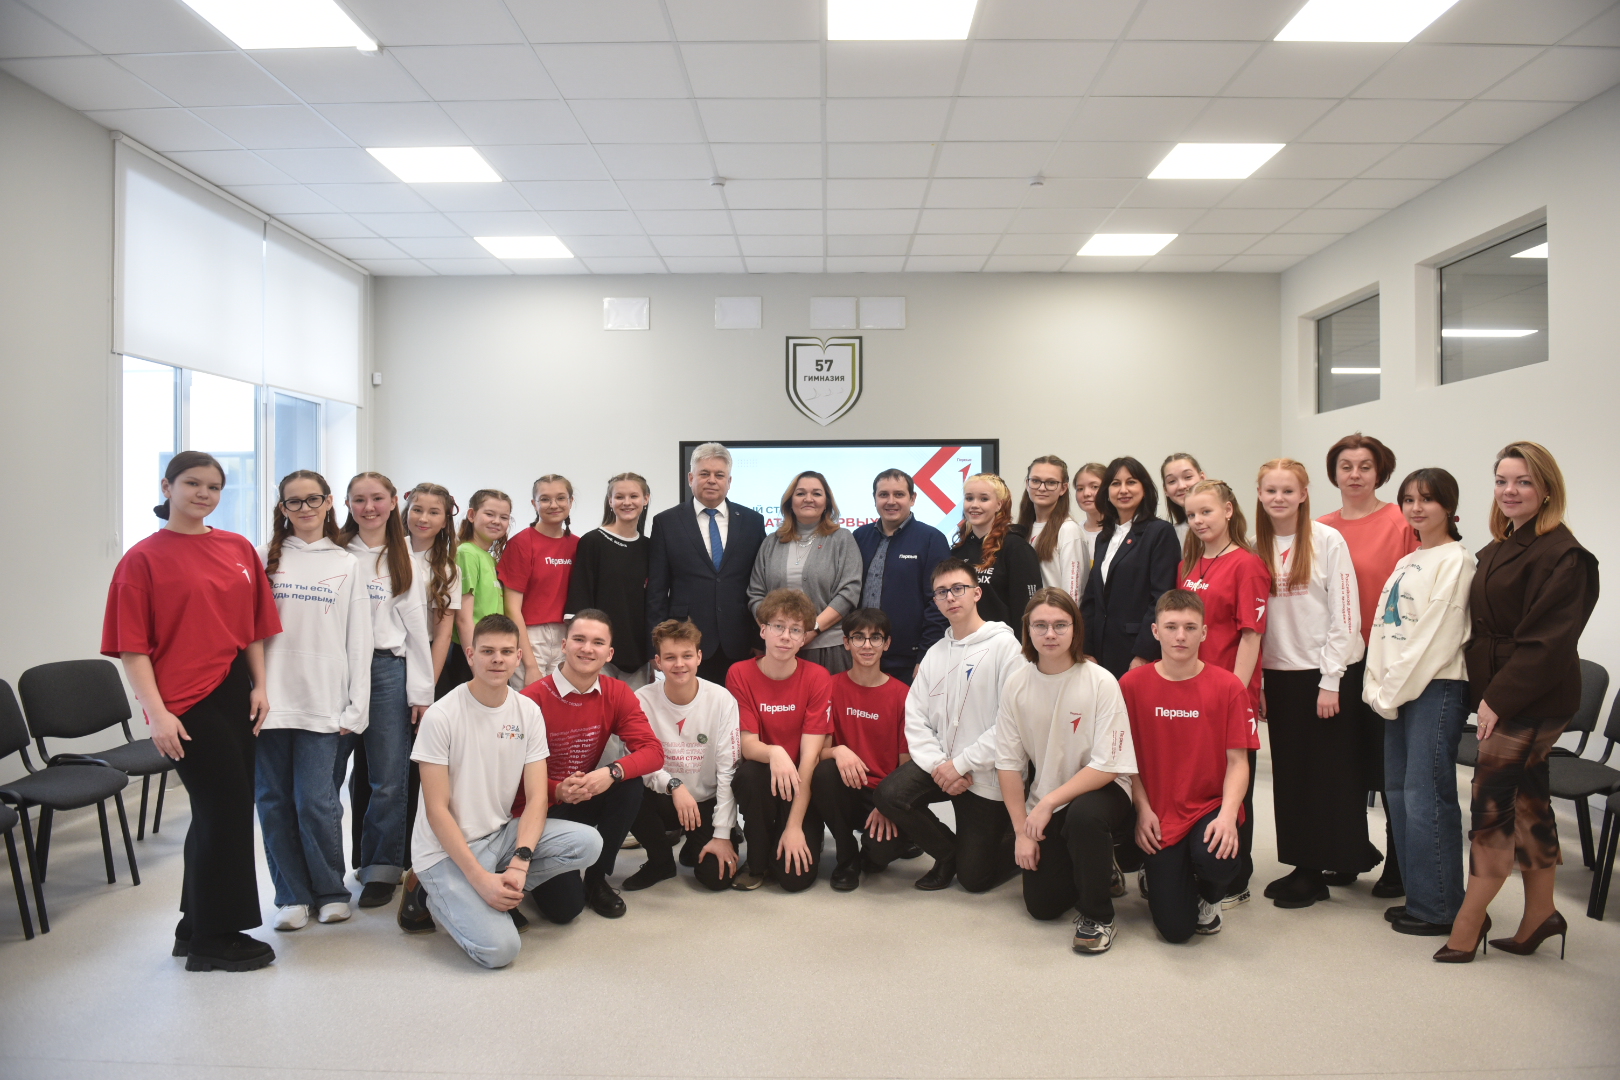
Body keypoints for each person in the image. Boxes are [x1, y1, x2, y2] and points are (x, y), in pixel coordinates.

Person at [103, 451, 281, 972]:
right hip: (183, 702)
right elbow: (132, 647)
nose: (204, 494)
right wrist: (157, 714)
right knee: (225, 812)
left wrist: (260, 685)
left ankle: (193, 925)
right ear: (167, 487)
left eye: (214, 487)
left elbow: (253, 626)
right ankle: (214, 940)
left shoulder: (237, 547)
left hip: (234, 690)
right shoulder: (142, 559)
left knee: (216, 813)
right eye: (192, 483)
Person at [1441, 443, 1599, 963]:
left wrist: (1497, 700)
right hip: (1504, 690)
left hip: (1533, 695)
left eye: (1524, 481)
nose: (1510, 491)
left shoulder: (1565, 555)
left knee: (1491, 803)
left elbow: (1548, 641)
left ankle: (1470, 919)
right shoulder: (1501, 546)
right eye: (1502, 480)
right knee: (1529, 800)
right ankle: (1541, 914)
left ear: (1547, 489)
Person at [395, 615, 602, 968]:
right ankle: (429, 892)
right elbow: (436, 811)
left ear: (518, 657)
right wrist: (479, 880)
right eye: (487, 651)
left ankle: (497, 888)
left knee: (588, 843)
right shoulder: (441, 715)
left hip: (499, 836)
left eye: (506, 652)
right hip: (445, 851)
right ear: (471, 655)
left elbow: (537, 798)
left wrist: (520, 863)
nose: (497, 659)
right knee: (501, 951)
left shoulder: (527, 711)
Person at [256, 470, 372, 932]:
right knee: (273, 801)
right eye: (294, 501)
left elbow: (359, 638)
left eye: (313, 499)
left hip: (324, 700)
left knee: (315, 802)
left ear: (328, 503)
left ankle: (330, 891)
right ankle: (291, 895)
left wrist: (357, 705)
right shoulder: (263, 557)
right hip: (269, 701)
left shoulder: (347, 562)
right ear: (282, 508)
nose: (304, 509)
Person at [1253, 459, 1372, 910]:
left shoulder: (1326, 540)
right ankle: (1306, 863)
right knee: (1291, 777)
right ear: (1259, 495)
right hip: (1279, 675)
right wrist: (1259, 681)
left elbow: (1346, 614)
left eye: (1288, 490)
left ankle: (1320, 869)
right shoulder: (1255, 545)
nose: (1279, 498)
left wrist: (1331, 680)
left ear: (1304, 494)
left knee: (1327, 776)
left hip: (1324, 675)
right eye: (1271, 490)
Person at [1363, 469, 1476, 940]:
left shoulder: (1457, 560)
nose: (1416, 507)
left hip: (1435, 688)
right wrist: (1376, 685)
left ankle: (1440, 907)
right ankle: (1419, 896)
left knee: (1426, 794)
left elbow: (1437, 635)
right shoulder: (1408, 560)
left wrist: (1389, 690)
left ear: (1449, 506)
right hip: (1398, 690)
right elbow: (1383, 627)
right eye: (1408, 499)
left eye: (1427, 499)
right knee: (1398, 792)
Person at [996, 588, 1138, 954]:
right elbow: (1008, 764)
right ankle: (1098, 865)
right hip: (1050, 797)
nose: (1050, 634)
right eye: (1040, 625)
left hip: (1102, 789)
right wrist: (1021, 832)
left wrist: (1047, 804)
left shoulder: (1100, 681)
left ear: (1075, 629)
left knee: (1084, 817)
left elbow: (1107, 765)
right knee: (1042, 907)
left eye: (1060, 625)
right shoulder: (1016, 684)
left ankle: (1098, 917)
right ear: (1027, 630)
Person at [874, 559, 1021, 893]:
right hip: (942, 765)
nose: (950, 597)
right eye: (941, 592)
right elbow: (916, 717)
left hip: (985, 773)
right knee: (890, 794)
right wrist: (940, 766)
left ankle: (1015, 833)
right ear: (936, 601)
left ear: (976, 593)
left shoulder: (1005, 648)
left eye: (958, 589)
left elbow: (1011, 724)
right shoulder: (935, 654)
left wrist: (962, 764)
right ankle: (948, 853)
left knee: (975, 880)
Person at [1120, 590, 1259, 944]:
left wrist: (1228, 816)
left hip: (1208, 806)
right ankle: (1161, 873)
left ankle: (1209, 896)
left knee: (1217, 859)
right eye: (1171, 627)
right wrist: (1142, 810)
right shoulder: (1131, 685)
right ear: (1155, 631)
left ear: (1204, 632)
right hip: (1158, 813)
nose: (1180, 636)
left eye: (1190, 627)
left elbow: (1238, 762)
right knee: (1176, 931)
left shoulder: (1228, 687)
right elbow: (1124, 760)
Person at [1319, 432, 1418, 899]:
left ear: (1380, 472)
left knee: (1388, 766)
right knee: (1342, 766)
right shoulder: (1320, 528)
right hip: (1339, 663)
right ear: (1334, 473)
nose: (1355, 475)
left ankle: (1398, 865)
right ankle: (1346, 854)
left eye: (1365, 466)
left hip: (1388, 662)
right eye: (1346, 466)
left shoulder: (1402, 522)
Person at [520, 610, 664, 921]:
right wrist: (556, 789)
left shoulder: (617, 692)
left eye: (598, 643)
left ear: (609, 653)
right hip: (538, 806)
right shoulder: (531, 699)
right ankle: (529, 864)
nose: (587, 649)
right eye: (579, 639)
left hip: (581, 796)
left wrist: (611, 772)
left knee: (628, 782)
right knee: (564, 911)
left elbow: (653, 752)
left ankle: (597, 878)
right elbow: (509, 774)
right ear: (564, 645)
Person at [336, 472, 434, 910]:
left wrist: (421, 693)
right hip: (337, 670)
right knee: (327, 778)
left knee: (389, 778)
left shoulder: (405, 559)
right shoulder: (335, 552)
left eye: (377, 498)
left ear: (394, 502)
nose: (369, 507)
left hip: (386, 669)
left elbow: (416, 633)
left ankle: (381, 868)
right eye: (359, 499)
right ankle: (326, 875)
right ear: (347, 504)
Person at [1178, 478, 1272, 906]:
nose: (1198, 521)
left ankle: (1236, 879)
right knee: (1201, 781)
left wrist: (1233, 694)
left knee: (1235, 784)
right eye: (1191, 514)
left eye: (1206, 511)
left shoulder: (1247, 565)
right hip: (1190, 691)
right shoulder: (1189, 563)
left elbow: (1251, 635)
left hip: (1229, 693)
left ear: (1229, 510)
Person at [726, 589, 834, 891]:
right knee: (749, 775)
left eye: (795, 630)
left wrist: (795, 827)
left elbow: (810, 759)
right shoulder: (739, 673)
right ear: (763, 630)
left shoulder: (817, 677)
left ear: (803, 638)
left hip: (800, 781)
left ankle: (800, 833)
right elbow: (747, 744)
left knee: (794, 879)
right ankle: (757, 861)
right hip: (765, 776)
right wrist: (775, 752)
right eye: (778, 626)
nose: (785, 636)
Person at [623, 619, 741, 892]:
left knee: (716, 878)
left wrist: (722, 833)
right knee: (624, 786)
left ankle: (698, 842)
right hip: (664, 798)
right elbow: (638, 760)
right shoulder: (641, 699)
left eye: (687, 655)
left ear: (699, 657)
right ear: (658, 662)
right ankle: (660, 861)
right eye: (670, 657)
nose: (679, 664)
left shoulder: (722, 699)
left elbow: (728, 770)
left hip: (706, 802)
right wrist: (673, 785)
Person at [647, 443, 768, 684]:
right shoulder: (666, 522)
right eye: (704, 473)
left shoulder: (752, 521)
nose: (712, 480)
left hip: (740, 640)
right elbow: (657, 590)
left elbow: (760, 584)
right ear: (691, 478)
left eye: (719, 475)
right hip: (685, 641)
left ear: (729, 481)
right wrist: (655, 645)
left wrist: (759, 639)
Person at [811, 608, 912, 891]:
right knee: (823, 772)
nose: (867, 645)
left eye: (875, 638)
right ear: (846, 642)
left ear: (887, 644)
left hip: (882, 792)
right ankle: (846, 858)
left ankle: (872, 853)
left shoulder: (903, 695)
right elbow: (817, 753)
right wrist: (838, 751)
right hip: (845, 789)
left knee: (880, 855)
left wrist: (887, 804)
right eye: (858, 637)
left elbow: (906, 765)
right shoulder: (829, 687)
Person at [748, 470, 863, 674]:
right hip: (778, 650)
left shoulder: (842, 539)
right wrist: (775, 632)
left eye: (816, 493)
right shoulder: (771, 542)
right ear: (789, 503)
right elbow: (756, 594)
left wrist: (813, 629)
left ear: (826, 503)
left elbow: (849, 592)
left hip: (827, 648)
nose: (808, 499)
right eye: (800, 493)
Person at [404, 483, 464, 852]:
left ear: (445, 520)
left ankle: (416, 852)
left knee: (420, 761)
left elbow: (442, 634)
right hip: (384, 658)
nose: (423, 518)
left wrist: (427, 687)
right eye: (417, 509)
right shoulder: (387, 554)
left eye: (434, 512)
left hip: (427, 663)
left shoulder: (447, 568)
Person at [1081, 457, 1180, 679]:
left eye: (1131, 482)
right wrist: (1086, 648)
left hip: (1137, 651)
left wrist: (1143, 653)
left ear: (1145, 488)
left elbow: (1162, 598)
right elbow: (1092, 599)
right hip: (1100, 652)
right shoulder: (1104, 537)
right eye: (1115, 483)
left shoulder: (1159, 532)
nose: (1123, 490)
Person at [852, 468, 952, 685]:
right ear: (874, 498)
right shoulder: (859, 537)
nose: (891, 501)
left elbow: (939, 602)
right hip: (862, 655)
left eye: (899, 494)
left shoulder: (931, 539)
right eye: (883, 495)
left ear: (912, 498)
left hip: (909, 661)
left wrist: (926, 655)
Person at [569, 473, 653, 689]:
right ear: (610, 501)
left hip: (638, 655)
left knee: (634, 709)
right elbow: (581, 597)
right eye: (619, 497)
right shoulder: (593, 542)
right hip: (597, 653)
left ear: (646, 499)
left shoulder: (650, 547)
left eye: (634, 496)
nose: (627, 502)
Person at [501, 474, 578, 686]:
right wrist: (531, 665)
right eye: (545, 499)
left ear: (571, 501)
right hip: (530, 637)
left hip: (567, 636)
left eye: (560, 498)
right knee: (529, 702)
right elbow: (512, 608)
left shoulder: (578, 545)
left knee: (562, 702)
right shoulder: (521, 543)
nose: (553, 505)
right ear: (534, 503)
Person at [952, 473, 1042, 630]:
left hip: (1004, 641)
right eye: (969, 498)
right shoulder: (958, 551)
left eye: (984, 499)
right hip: (964, 640)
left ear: (999, 505)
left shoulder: (1016, 548)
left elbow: (1028, 609)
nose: (974, 505)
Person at [443, 489, 511, 696]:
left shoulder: (489, 558)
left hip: (490, 653)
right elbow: (464, 619)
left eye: (504, 517)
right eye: (489, 514)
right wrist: (476, 665)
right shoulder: (466, 553)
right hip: (470, 654)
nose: (496, 521)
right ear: (472, 515)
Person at [1018, 455, 1086, 603]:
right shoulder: (1023, 529)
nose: (1042, 488)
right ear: (1027, 484)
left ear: (1063, 488)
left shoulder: (1068, 530)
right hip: (1029, 615)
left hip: (1056, 615)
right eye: (1035, 481)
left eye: (1051, 483)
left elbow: (1073, 596)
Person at [1072, 462, 1109, 594]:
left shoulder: (1120, 532)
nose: (1086, 493)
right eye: (1080, 488)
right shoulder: (1074, 532)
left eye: (1094, 487)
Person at [1162, 453, 1207, 546]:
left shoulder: (1222, 522)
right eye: (1172, 481)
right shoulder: (1171, 535)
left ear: (1202, 478)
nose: (1181, 486)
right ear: (1165, 490)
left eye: (1188, 477)